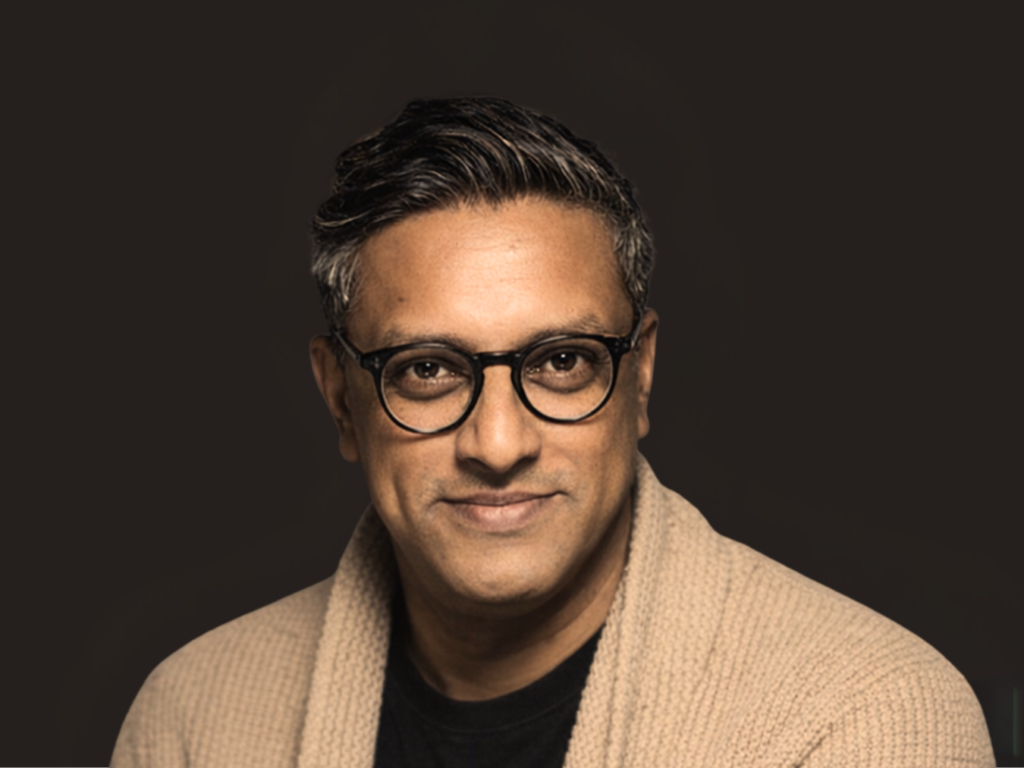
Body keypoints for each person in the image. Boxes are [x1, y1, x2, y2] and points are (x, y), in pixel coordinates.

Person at [111, 97, 994, 767]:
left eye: (561, 362)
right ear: (342, 399)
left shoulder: (865, 720)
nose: (498, 445)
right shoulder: (194, 721)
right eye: (427, 369)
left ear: (638, 376)